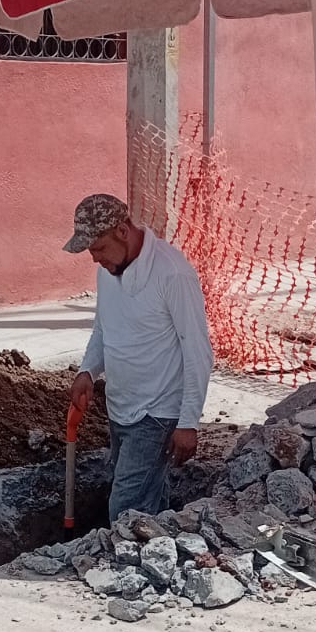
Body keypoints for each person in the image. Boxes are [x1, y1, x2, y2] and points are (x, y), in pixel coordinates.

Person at [65, 194, 214, 520]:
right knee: (147, 503)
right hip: (121, 408)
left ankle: (127, 564)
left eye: (99, 248)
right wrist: (88, 371)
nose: (95, 259)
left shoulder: (172, 273)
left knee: (125, 510)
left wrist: (188, 422)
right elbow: (104, 328)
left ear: (122, 230)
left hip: (156, 413)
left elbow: (198, 351)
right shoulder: (108, 270)